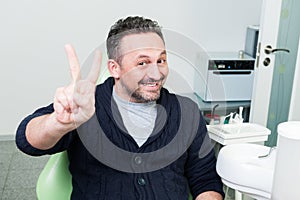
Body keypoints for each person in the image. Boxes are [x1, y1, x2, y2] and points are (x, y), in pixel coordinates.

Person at [16, 16, 224, 200]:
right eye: (142, 63)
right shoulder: (86, 104)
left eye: (161, 60)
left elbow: (206, 181)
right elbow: (27, 140)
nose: (156, 73)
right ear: (115, 68)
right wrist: (57, 124)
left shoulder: (187, 112)